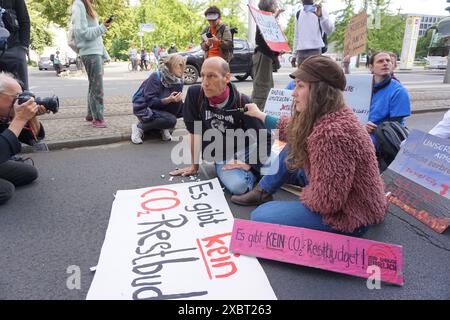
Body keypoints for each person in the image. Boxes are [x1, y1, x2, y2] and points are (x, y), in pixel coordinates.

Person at [231, 55, 387, 236]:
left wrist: (306, 193)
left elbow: (328, 202)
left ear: (320, 91)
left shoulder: (332, 135)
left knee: (261, 216)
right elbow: (292, 129)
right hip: (340, 191)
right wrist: (260, 115)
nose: (293, 93)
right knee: (295, 141)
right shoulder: (329, 114)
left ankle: (266, 195)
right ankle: (263, 191)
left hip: (351, 214)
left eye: (300, 86)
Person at [169, 57, 272, 195]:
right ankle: (267, 170)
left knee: (281, 166)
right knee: (238, 186)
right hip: (223, 156)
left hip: (247, 151)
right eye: (203, 75)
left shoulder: (242, 102)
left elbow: (266, 138)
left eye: (211, 76)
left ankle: (261, 172)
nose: (205, 83)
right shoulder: (195, 95)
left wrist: (250, 165)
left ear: (227, 78)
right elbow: (194, 131)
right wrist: (194, 166)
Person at [0, 72, 46, 205]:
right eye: (16, 97)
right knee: (5, 189)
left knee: (29, 173)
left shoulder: (4, 114)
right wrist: (20, 118)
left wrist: (31, 116)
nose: (20, 101)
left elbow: (33, 139)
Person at [71, 0, 112, 128]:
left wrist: (104, 54)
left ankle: (91, 114)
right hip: (90, 53)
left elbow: (95, 36)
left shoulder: (84, 4)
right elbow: (82, 33)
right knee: (97, 88)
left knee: (93, 86)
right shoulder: (79, 4)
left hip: (94, 52)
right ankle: (98, 119)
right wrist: (102, 27)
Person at [131, 54, 186, 144]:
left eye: (183, 65)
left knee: (186, 108)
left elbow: (175, 100)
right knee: (171, 120)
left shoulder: (178, 80)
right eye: (180, 65)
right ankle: (139, 127)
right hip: (144, 106)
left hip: (161, 105)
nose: (182, 69)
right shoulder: (156, 76)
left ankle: (162, 126)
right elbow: (149, 101)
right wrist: (168, 100)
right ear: (172, 65)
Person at [366, 52, 411, 141]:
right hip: (360, 130)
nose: (385, 63)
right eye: (380, 61)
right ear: (371, 67)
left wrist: (368, 128)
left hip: (380, 138)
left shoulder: (399, 91)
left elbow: (393, 126)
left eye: (388, 61)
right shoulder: (364, 85)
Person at [251, 0, 284, 109]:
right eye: (275, 5)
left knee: (266, 86)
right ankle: (256, 114)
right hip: (263, 56)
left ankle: (261, 112)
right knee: (262, 87)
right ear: (270, 7)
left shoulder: (267, 19)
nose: (277, 7)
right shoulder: (264, 19)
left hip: (265, 56)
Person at [292, 0, 333, 67]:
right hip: (301, 54)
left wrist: (321, 17)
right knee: (302, 77)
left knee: (314, 77)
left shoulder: (319, 9)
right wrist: (294, 55)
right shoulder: (298, 13)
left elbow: (329, 30)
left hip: (315, 52)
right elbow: (296, 36)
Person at [0, 0, 30, 90]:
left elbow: (24, 20)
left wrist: (23, 47)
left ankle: (24, 101)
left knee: (21, 91)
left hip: (13, 48)